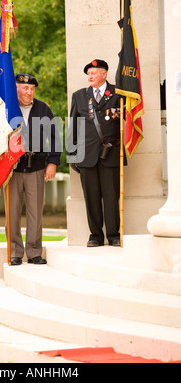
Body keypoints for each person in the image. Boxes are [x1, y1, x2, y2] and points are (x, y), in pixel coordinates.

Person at [68, 59, 124, 247]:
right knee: (91, 196)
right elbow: (73, 126)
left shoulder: (119, 93)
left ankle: (114, 234)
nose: (90, 76)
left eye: (93, 73)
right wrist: (72, 154)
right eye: (88, 74)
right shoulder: (80, 96)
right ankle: (96, 236)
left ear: (104, 74)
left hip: (111, 153)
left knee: (111, 196)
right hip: (86, 154)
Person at [7, 73, 61, 265]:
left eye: (32, 89)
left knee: (35, 213)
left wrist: (52, 162)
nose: (29, 92)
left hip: (37, 167)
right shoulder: (6, 108)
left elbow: (54, 137)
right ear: (16, 89)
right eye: (25, 88)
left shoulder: (43, 108)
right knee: (12, 213)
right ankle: (15, 252)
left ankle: (34, 252)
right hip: (12, 170)